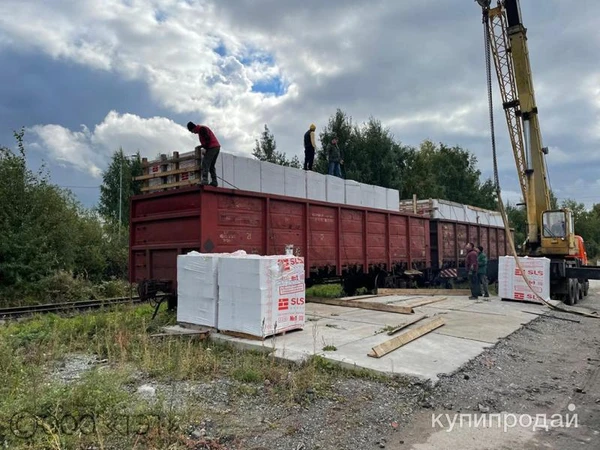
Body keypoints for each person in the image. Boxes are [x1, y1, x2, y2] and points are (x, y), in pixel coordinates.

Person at [187, 121, 220, 186]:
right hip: (216, 147)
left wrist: (205, 148)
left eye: (192, 131)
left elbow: (207, 139)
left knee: (205, 163)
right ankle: (214, 182)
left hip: (212, 147)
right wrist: (202, 146)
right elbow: (207, 140)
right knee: (211, 166)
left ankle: (205, 180)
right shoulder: (202, 129)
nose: (193, 133)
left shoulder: (202, 129)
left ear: (193, 128)